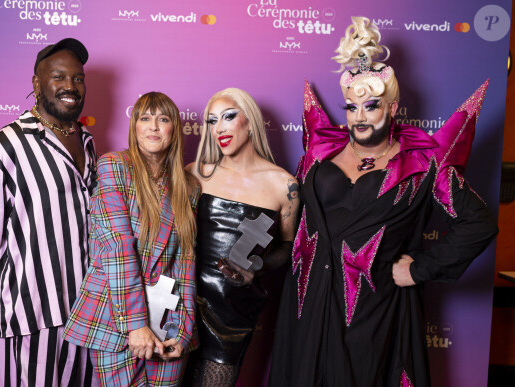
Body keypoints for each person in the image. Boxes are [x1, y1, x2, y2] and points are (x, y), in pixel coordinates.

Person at [268, 17, 498, 386]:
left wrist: (420, 269)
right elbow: (290, 213)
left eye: (370, 107)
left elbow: (479, 222)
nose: (359, 118)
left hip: (374, 307)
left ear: (391, 109)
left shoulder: (423, 162)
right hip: (307, 302)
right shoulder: (319, 153)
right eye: (351, 108)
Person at [0, 38, 98, 385]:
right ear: (37, 84)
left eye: (78, 78)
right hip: (28, 318)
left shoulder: (87, 142)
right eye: (59, 77)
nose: (70, 85)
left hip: (85, 315)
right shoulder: (1, 151)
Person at [63, 92, 200, 386]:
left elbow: (185, 263)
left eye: (163, 119)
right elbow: (117, 247)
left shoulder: (188, 187)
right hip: (115, 316)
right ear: (134, 126)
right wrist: (135, 325)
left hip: (167, 319)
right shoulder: (114, 166)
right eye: (145, 118)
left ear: (174, 129)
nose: (153, 127)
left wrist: (184, 331)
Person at [183, 88, 300, 386]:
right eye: (212, 121)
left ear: (250, 122)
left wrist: (256, 268)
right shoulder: (194, 173)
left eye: (228, 117)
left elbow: (287, 246)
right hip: (183, 301)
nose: (219, 127)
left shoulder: (284, 185)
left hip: (231, 313)